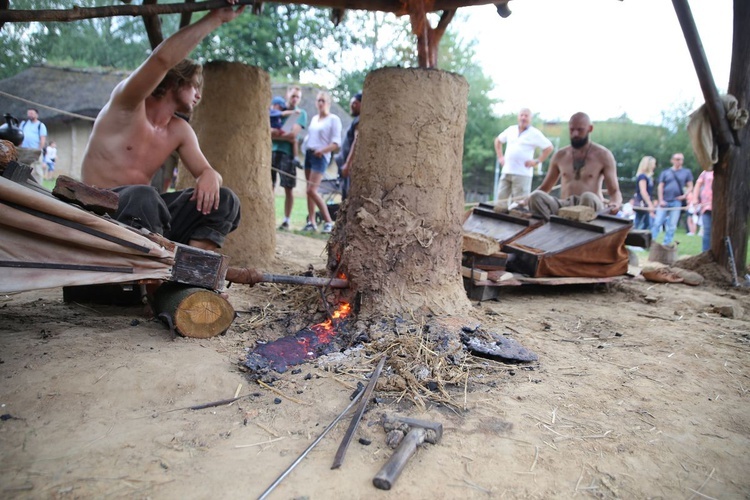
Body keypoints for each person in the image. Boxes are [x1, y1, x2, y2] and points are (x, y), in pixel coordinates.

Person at [81, 1, 245, 251]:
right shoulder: (127, 104)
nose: (199, 96)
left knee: (226, 201)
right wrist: (216, 19)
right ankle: (154, 277)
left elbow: (206, 171)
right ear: (175, 81)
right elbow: (161, 60)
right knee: (144, 197)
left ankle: (191, 275)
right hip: (101, 209)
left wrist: (211, 175)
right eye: (195, 86)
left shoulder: (179, 129)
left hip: (147, 220)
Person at [528, 112, 622, 220]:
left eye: (580, 130)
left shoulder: (603, 155)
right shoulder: (560, 155)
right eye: (572, 130)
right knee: (536, 196)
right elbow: (544, 188)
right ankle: (552, 227)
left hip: (591, 205)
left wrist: (615, 202)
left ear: (590, 129)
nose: (575, 134)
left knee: (588, 197)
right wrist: (526, 200)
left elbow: (614, 191)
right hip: (565, 205)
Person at [494, 108, 554, 210]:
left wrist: (537, 161)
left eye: (526, 116)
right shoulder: (511, 129)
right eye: (521, 115)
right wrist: (500, 157)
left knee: (519, 205)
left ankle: (515, 225)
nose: (523, 118)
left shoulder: (534, 133)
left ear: (530, 118)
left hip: (522, 173)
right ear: (518, 117)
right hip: (507, 170)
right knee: (500, 202)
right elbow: (498, 141)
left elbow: (549, 147)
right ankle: (496, 223)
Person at [302, 91, 341, 234]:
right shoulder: (314, 119)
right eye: (318, 100)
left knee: (311, 190)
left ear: (328, 103)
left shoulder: (333, 119)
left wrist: (322, 151)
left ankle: (328, 222)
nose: (320, 103)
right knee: (309, 191)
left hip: (321, 156)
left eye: (323, 101)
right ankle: (311, 222)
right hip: (309, 154)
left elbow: (336, 143)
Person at [272, 86, 308, 230]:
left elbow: (293, 135)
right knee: (269, 186)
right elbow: (266, 132)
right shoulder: (278, 110)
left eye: (297, 97)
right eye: (293, 96)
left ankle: (286, 220)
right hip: (273, 151)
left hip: (288, 155)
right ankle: (269, 217)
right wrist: (282, 135)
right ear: (287, 94)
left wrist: (277, 134)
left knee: (288, 187)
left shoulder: (301, 113)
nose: (294, 99)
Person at [650, 152, 694, 245]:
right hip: (664, 200)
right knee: (657, 222)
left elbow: (690, 186)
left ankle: (666, 244)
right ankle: (651, 241)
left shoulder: (686, 172)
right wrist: (660, 199)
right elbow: (660, 186)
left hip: (677, 201)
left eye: (681, 159)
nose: (679, 161)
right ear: (672, 160)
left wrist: (685, 195)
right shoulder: (665, 172)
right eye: (677, 159)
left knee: (672, 225)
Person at [334, 91, 361, 201]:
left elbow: (357, 140)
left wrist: (348, 164)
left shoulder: (359, 121)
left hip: (349, 166)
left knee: (348, 195)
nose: (351, 105)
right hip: (346, 164)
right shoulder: (355, 120)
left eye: (355, 103)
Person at [631, 155, 656, 230]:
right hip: (642, 203)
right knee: (640, 223)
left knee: (646, 223)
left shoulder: (648, 177)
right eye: (654, 164)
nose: (655, 166)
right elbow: (643, 191)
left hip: (645, 203)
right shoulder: (642, 177)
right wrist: (650, 204)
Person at [692, 169, 713, 253]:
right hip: (707, 206)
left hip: (722, 206)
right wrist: (695, 199)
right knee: (707, 230)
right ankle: (705, 253)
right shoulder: (706, 171)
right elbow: (698, 184)